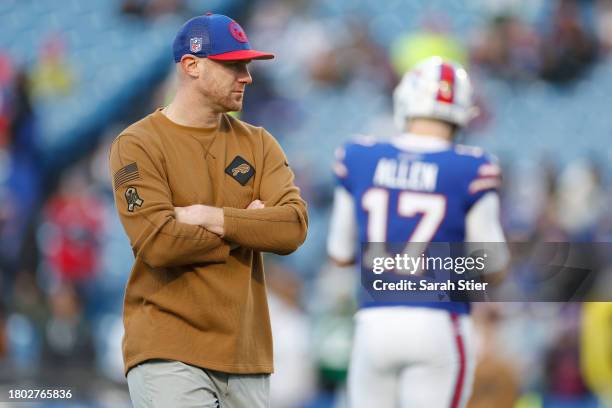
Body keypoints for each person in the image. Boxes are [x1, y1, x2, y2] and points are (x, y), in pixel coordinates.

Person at [108, 13, 308, 408]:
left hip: (246, 355)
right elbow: (159, 243)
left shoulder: (260, 143)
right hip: (168, 347)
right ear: (192, 66)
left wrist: (210, 216)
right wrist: (247, 226)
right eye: (233, 64)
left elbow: (292, 228)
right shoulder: (137, 144)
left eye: (247, 64)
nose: (246, 75)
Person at [327, 57, 508, 408]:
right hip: (438, 321)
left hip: (374, 322)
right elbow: (493, 262)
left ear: (405, 102)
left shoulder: (359, 155)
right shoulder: (472, 166)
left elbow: (339, 254)